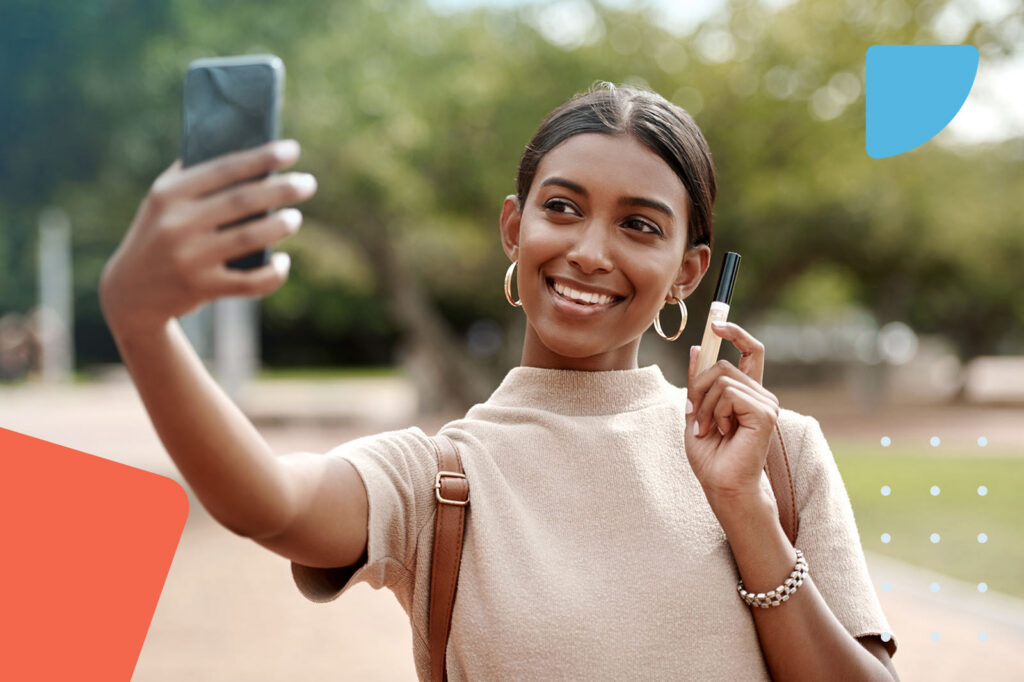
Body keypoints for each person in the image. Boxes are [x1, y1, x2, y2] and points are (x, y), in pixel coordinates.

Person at [99, 82, 899, 680]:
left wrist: (747, 514)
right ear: (515, 229)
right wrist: (142, 325)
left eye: (639, 225)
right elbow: (267, 502)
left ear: (690, 272)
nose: (590, 249)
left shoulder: (776, 455)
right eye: (563, 208)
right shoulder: (443, 479)